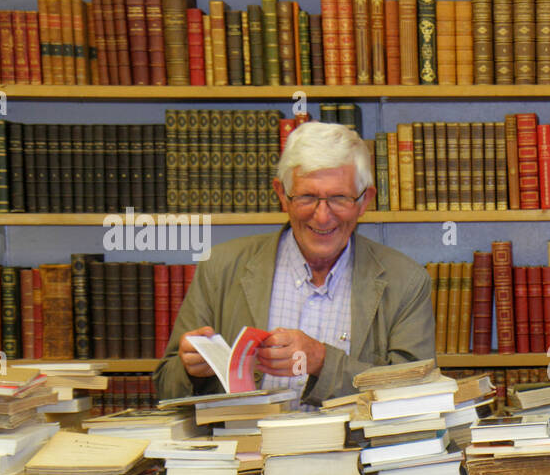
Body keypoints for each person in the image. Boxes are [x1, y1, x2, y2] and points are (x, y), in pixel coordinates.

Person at [153, 121, 435, 407]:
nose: (322, 216)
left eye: (339, 198)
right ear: (281, 195)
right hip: (247, 447)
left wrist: (323, 362)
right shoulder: (221, 267)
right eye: (308, 197)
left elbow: (416, 395)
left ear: (364, 201)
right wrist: (191, 371)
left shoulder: (406, 281)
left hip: (356, 450)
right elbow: (166, 388)